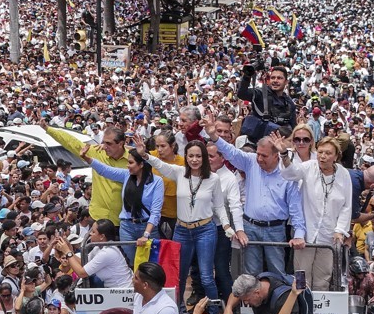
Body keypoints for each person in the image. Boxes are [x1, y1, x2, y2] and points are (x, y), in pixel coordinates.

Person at [203, 112, 306, 277]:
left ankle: (277, 302)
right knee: (251, 274)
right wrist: (213, 135)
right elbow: (231, 152)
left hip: (275, 229)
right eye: (257, 153)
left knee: (277, 273)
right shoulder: (250, 161)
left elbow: (295, 208)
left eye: (264, 156)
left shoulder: (287, 174)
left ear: (276, 156)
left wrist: (300, 234)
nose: (258, 158)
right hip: (250, 227)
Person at [136, 134, 227, 303]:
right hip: (182, 230)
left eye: (198, 156)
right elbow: (160, 165)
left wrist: (227, 227)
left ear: (204, 158)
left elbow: (219, 206)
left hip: (205, 230)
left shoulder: (213, 179)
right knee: (179, 276)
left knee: (207, 276)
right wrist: (144, 155)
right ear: (185, 157)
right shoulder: (179, 172)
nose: (194, 160)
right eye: (191, 156)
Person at [278, 133, 353, 289]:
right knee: (301, 279)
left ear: (336, 156)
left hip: (329, 237)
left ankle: (318, 311)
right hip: (306, 235)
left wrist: (340, 230)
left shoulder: (344, 174)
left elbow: (347, 206)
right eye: (320, 152)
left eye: (328, 153)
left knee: (323, 280)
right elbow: (290, 173)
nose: (323, 156)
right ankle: (301, 310)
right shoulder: (309, 167)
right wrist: (284, 154)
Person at [82, 141, 163, 264]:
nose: (127, 166)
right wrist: (86, 158)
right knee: (130, 263)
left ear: (141, 165)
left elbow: (155, 212)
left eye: (130, 163)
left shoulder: (157, 182)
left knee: (149, 265)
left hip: (147, 228)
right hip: (127, 228)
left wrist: (146, 234)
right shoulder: (126, 175)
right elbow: (105, 170)